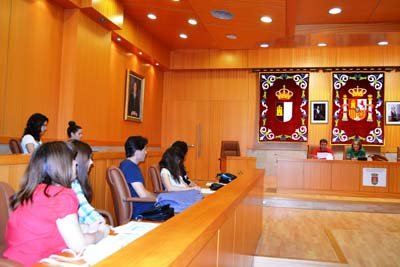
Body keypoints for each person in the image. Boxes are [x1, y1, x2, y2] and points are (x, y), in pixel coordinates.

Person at [3, 142, 107, 266]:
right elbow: (79, 245)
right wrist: (101, 233)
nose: (76, 163)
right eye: (72, 160)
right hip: (38, 263)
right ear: (61, 166)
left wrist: (84, 228)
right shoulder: (63, 195)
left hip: (13, 261)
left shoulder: (34, 191)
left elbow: (50, 228)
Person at [67, 140, 109, 234]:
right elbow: (91, 217)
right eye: (89, 159)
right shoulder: (73, 186)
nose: (92, 163)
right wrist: (102, 223)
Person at [119, 136, 156, 219]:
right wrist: (158, 198)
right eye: (144, 149)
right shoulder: (130, 167)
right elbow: (143, 195)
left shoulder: (126, 165)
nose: (146, 152)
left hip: (141, 208)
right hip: (142, 210)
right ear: (137, 151)